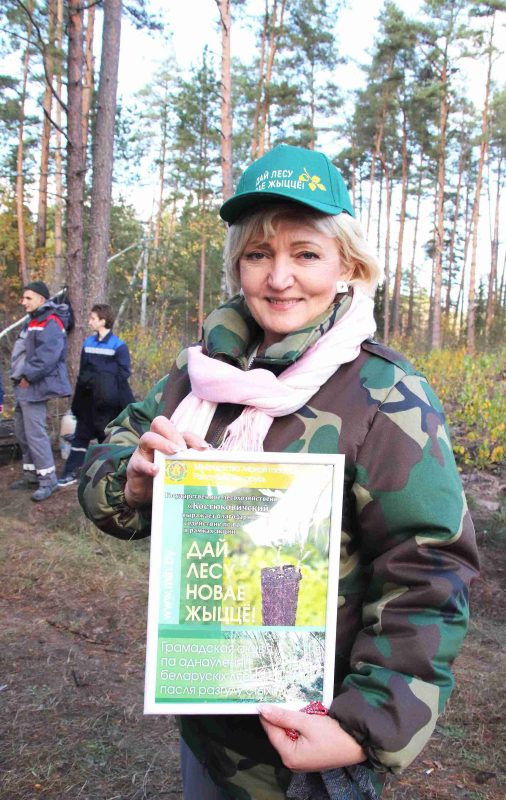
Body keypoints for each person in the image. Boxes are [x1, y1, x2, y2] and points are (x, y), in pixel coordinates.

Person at [78, 144, 479, 799]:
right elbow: (103, 464)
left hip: (315, 743)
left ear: (346, 264)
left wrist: (364, 729)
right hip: (208, 728)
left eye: (305, 253)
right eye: (259, 254)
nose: (280, 277)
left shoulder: (385, 395)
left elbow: (429, 570)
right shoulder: (201, 377)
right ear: (238, 265)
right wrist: (134, 480)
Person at [57, 303, 135, 487]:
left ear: (103, 320)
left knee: (106, 441)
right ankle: (70, 472)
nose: (89, 321)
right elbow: (83, 371)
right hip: (87, 402)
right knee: (80, 438)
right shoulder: (88, 343)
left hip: (107, 405)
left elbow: (123, 374)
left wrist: (101, 379)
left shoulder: (119, 346)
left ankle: (108, 478)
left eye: (93, 318)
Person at [10, 280, 72, 501]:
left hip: (34, 386)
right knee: (22, 431)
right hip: (22, 385)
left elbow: (48, 355)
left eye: (28, 298)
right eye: (23, 297)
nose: (23, 301)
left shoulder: (51, 320)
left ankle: (49, 481)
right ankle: (31, 475)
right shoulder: (33, 320)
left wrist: (28, 376)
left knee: (35, 434)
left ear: (41, 299)